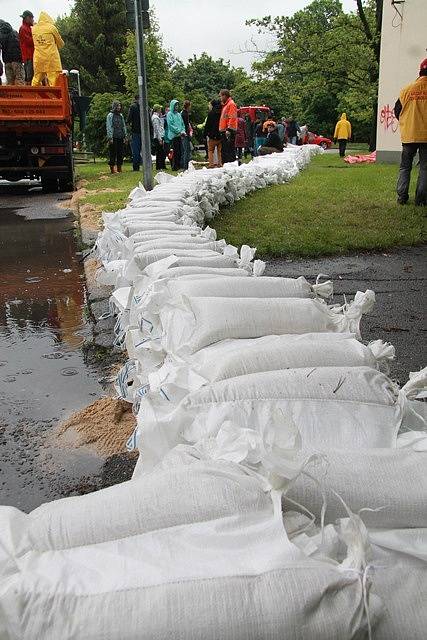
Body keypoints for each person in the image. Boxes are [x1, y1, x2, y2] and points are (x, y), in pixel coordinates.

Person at [394, 58, 427, 206]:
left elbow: (397, 111)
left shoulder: (406, 90)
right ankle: (421, 200)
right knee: (425, 168)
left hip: (409, 135)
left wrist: (406, 122)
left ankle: (402, 197)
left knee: (405, 167)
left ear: (420, 71)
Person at [31, 12, 64, 86]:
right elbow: (60, 42)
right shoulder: (51, 28)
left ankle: (33, 95)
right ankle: (54, 97)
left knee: (36, 79)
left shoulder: (34, 29)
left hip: (38, 58)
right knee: (54, 81)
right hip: (51, 58)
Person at [0, 20, 24, 85]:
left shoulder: (1, 34)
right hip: (17, 60)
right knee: (19, 79)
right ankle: (22, 95)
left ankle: (11, 95)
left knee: (10, 82)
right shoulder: (15, 32)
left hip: (7, 61)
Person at [106, 100, 127, 174]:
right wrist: (110, 137)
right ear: (114, 107)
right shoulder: (110, 115)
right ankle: (112, 168)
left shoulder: (121, 115)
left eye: (120, 106)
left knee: (120, 153)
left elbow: (123, 126)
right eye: (118, 106)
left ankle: (119, 167)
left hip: (120, 136)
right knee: (113, 153)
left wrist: (125, 136)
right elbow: (109, 126)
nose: (119, 107)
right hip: (113, 136)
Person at [165, 99, 186, 171]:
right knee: (174, 152)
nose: (177, 106)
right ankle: (174, 166)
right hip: (173, 136)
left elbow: (182, 124)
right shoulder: (169, 114)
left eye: (177, 105)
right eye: (175, 105)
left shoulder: (178, 114)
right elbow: (170, 125)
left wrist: (183, 131)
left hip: (179, 136)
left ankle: (179, 165)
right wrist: (179, 131)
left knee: (180, 151)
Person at [219, 89, 238, 164]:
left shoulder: (231, 104)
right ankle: (227, 165)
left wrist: (229, 129)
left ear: (224, 95)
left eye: (221, 96)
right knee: (225, 151)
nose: (220, 98)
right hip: (225, 131)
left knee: (228, 151)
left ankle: (230, 165)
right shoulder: (226, 105)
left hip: (228, 131)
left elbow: (232, 117)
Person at [204, 99, 222, 168]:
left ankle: (211, 164)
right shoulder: (221, 112)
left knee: (210, 150)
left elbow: (207, 125)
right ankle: (220, 163)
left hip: (212, 135)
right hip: (220, 134)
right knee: (220, 151)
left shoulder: (211, 113)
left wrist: (204, 134)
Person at [19, 10, 34, 85]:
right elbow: (29, 41)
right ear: (28, 18)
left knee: (32, 75)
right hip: (28, 56)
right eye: (32, 18)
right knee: (29, 76)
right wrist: (36, 37)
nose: (33, 20)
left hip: (31, 56)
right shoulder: (23, 28)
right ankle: (30, 94)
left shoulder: (28, 28)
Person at [127, 95, 142, 171]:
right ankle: (138, 165)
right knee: (139, 150)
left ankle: (136, 166)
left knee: (136, 150)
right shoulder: (142, 106)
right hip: (140, 131)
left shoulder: (133, 107)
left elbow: (129, 119)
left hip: (136, 131)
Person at [152, 104, 166, 170]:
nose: (161, 110)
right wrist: (160, 139)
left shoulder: (156, 117)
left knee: (161, 152)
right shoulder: (155, 117)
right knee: (160, 152)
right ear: (157, 109)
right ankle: (159, 166)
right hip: (158, 137)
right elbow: (157, 129)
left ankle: (161, 166)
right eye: (160, 109)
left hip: (159, 136)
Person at [180, 99, 192, 170]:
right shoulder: (185, 114)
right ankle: (185, 166)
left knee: (185, 150)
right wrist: (188, 134)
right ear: (188, 106)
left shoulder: (183, 113)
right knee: (186, 151)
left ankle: (185, 165)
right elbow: (186, 125)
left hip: (184, 133)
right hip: (185, 134)